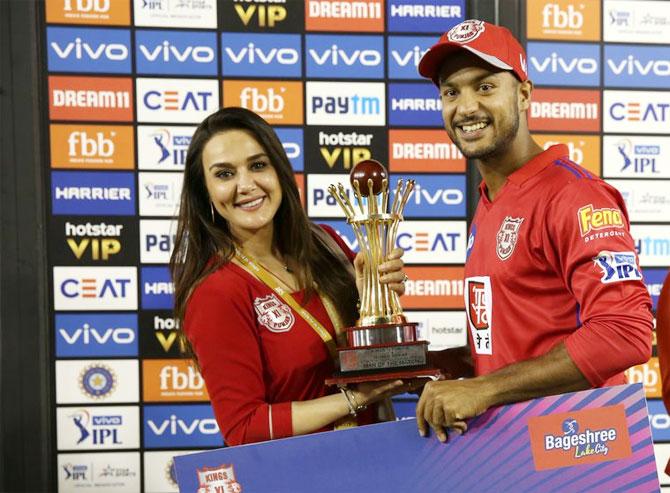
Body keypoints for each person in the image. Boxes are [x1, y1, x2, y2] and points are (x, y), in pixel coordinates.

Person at [414, 19, 653, 442]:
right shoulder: (492, 197)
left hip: (580, 452)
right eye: (451, 92)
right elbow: (513, 346)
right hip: (518, 453)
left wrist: (484, 389)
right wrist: (425, 369)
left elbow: (625, 332)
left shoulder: (576, 195)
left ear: (524, 94)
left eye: (485, 86)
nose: (466, 107)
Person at [170, 107, 411, 446]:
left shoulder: (325, 242)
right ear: (205, 192)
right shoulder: (217, 290)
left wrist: (374, 295)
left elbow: (371, 358)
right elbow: (243, 426)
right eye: (224, 174)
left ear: (279, 169)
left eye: (258, 165)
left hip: (370, 460)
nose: (246, 185)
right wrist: (355, 399)